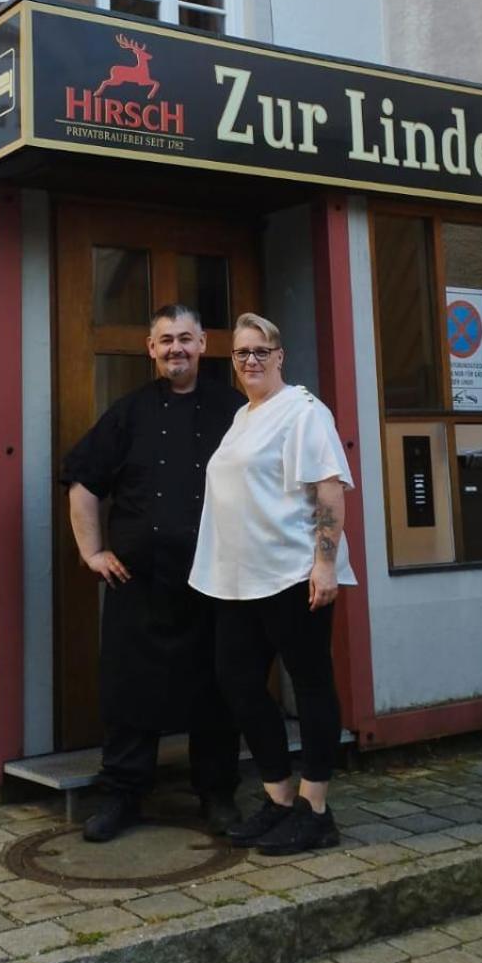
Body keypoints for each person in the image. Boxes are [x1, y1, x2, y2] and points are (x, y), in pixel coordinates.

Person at [61, 303, 243, 843]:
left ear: (203, 344)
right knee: (128, 691)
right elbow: (82, 479)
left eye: (185, 339)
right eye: (165, 341)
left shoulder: (235, 411)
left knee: (217, 690)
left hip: (213, 581)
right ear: (150, 348)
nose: (175, 350)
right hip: (136, 584)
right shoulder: (128, 413)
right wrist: (92, 552)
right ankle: (123, 796)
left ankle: (218, 795)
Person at [189, 312, 356, 856]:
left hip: (291, 574)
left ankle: (315, 809)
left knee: (309, 685)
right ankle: (279, 795)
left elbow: (330, 492)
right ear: (232, 362)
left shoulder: (303, 412)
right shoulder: (244, 416)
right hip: (239, 580)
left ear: (280, 356)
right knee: (234, 680)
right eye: (241, 353)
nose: (252, 361)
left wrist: (325, 565)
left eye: (261, 351)